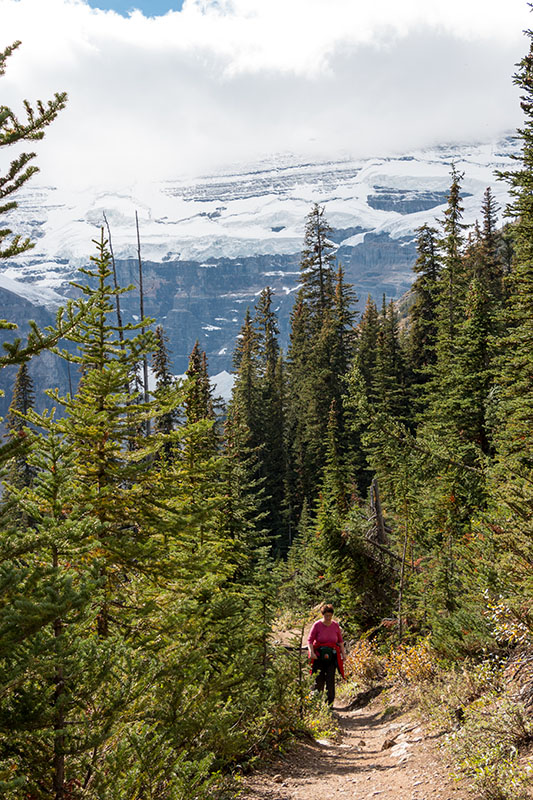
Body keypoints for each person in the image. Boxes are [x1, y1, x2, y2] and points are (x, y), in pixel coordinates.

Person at [307, 603, 345, 706]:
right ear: (322, 615)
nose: (328, 617)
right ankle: (315, 703)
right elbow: (310, 640)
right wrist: (312, 652)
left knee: (330, 679)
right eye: (326, 615)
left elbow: (340, 641)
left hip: (332, 656)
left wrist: (343, 654)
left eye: (330, 615)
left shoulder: (335, 625)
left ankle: (330, 703)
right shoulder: (317, 625)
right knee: (318, 679)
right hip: (319, 655)